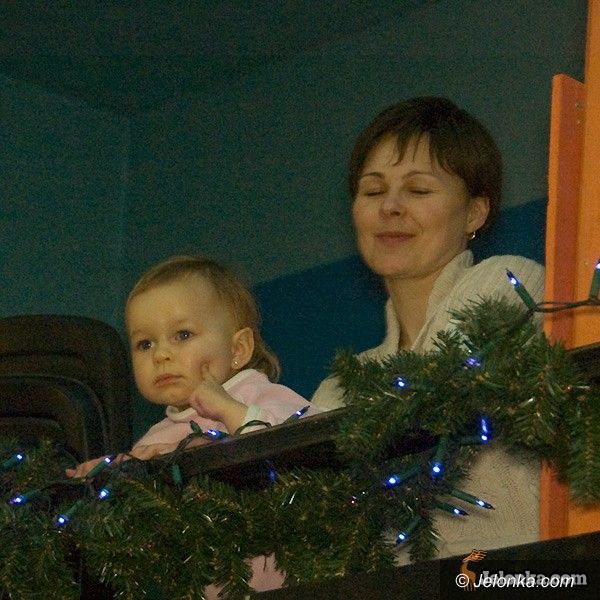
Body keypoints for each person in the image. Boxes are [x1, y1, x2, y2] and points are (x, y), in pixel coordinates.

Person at [311, 96, 545, 560]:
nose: (390, 207)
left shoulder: (508, 282)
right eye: (372, 191)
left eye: (418, 190)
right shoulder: (339, 386)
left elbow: (443, 381)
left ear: (475, 213)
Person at [67, 254, 320, 470]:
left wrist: (229, 411)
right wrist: (113, 472)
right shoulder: (155, 439)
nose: (160, 355)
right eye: (145, 344)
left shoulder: (259, 396)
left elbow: (309, 450)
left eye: (183, 335)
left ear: (238, 349)